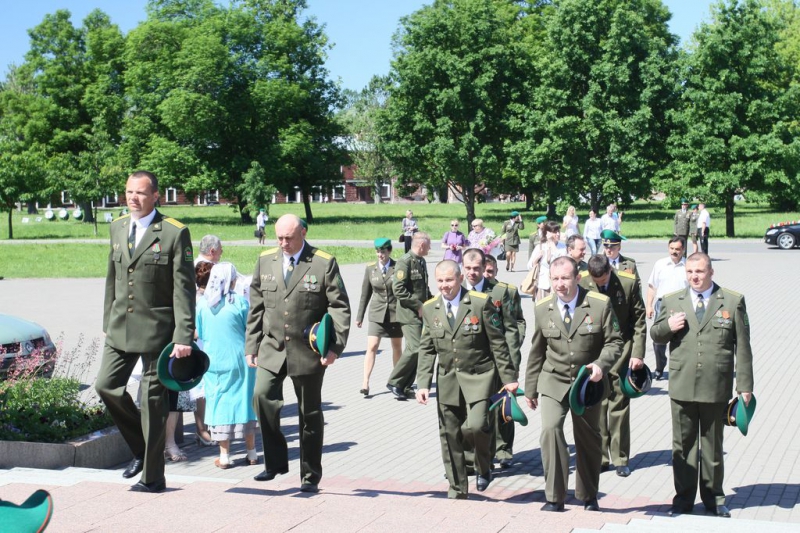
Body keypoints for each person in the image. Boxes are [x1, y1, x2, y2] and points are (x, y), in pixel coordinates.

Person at [96, 170, 196, 494]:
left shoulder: (172, 233)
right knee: (106, 387)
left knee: (153, 405)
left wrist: (184, 335)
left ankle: (153, 478)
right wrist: (106, 322)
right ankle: (142, 450)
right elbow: (112, 279)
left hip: (158, 332)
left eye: (140, 193)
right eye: (128, 192)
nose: (132, 198)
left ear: (156, 196)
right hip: (120, 329)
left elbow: (184, 290)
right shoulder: (118, 226)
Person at [245, 214, 351, 493]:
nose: (283, 243)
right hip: (272, 348)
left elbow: (339, 307)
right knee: (261, 397)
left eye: (289, 238)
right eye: (279, 237)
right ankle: (276, 462)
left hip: (307, 351)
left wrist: (334, 348)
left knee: (310, 415)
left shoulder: (322, 262)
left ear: (303, 232)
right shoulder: (265, 260)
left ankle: (309, 475)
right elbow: (256, 308)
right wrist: (251, 347)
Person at [651, 253, 753, 518]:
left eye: (699, 271)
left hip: (715, 385)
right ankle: (683, 499)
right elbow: (655, 333)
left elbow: (742, 347)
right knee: (683, 446)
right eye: (690, 272)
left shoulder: (732, 300)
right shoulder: (673, 300)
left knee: (712, 446)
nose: (694, 277)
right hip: (682, 384)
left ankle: (715, 499)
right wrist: (668, 326)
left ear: (711, 272)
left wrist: (745, 386)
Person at [524, 256, 623, 512]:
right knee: (550, 431)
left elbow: (615, 343)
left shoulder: (599, 305)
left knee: (588, 439)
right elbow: (537, 351)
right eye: (555, 278)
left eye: (565, 278)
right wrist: (531, 388)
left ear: (578, 278)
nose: (560, 284)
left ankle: (588, 495)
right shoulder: (542, 307)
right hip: (553, 380)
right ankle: (555, 497)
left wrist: (601, 365)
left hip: (587, 384)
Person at [416, 260, 518, 499]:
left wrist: (509, 378)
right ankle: (457, 488)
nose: (444, 286)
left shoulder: (480, 303)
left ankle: (483, 466)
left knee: (476, 426)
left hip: (480, 377)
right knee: (449, 434)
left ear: (460, 278)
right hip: (448, 381)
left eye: (449, 280)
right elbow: (427, 348)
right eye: (440, 281)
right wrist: (422, 383)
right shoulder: (430, 308)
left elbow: (498, 343)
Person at [580, 254, 646, 477]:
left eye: (603, 280)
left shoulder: (627, 282)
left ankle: (620, 457)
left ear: (610, 270)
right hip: (594, 350)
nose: (599, 285)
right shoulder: (582, 282)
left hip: (621, 347)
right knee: (596, 403)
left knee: (619, 402)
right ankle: (600, 456)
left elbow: (639, 319)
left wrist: (637, 353)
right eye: (595, 282)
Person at [462, 249, 523, 468]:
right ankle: (474, 457)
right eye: (468, 268)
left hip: (497, 362)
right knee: (472, 415)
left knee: (501, 407)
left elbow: (511, 328)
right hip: (469, 364)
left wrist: (512, 364)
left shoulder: (499, 292)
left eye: (477, 268)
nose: (474, 272)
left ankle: (503, 448)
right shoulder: (457, 292)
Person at [197, 262, 258, 469]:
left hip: (214, 361)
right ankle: (251, 453)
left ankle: (224, 456)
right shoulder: (240, 303)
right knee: (245, 402)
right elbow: (250, 330)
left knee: (219, 403)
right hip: (241, 360)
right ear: (230, 280)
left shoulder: (203, 305)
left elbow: (201, 334)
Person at [386, 232, 432, 400]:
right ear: (421, 245)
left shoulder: (421, 261)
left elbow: (423, 288)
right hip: (408, 313)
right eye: (428, 245)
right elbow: (398, 289)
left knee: (420, 350)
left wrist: (432, 302)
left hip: (420, 314)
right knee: (416, 347)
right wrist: (418, 305)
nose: (430, 248)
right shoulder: (404, 262)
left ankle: (404, 385)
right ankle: (394, 381)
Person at [356, 238, 402, 396]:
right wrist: (359, 315)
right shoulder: (370, 269)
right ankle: (365, 382)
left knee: (396, 347)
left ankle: (397, 381)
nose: (380, 254)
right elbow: (365, 294)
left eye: (383, 251)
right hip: (376, 313)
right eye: (377, 251)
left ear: (389, 251)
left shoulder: (398, 267)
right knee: (372, 346)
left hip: (395, 313)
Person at [645, 237, 688, 380]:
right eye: (672, 249)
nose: (674, 252)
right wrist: (649, 305)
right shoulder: (660, 264)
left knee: (682, 339)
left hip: (682, 305)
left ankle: (680, 368)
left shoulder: (688, 266)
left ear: (683, 250)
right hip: (662, 305)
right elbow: (652, 286)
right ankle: (659, 367)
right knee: (659, 340)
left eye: (677, 249)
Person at [527, 221, 566, 300]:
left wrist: (552, 244)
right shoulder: (540, 247)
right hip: (542, 284)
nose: (558, 234)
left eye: (558, 231)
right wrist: (535, 260)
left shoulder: (563, 247)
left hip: (559, 285)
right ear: (547, 233)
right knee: (542, 309)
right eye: (555, 232)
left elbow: (562, 262)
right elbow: (529, 266)